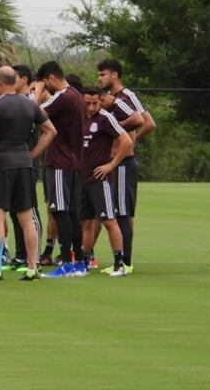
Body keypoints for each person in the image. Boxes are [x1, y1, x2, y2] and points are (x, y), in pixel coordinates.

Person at [0, 67, 56, 281]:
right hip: (24, 164)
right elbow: (51, 131)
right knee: (26, 217)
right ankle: (32, 267)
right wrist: (32, 155)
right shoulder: (29, 104)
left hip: (1, 164)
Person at [97, 57, 152, 273]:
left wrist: (126, 138)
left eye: (103, 74)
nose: (99, 78)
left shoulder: (126, 96)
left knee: (123, 212)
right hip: (114, 162)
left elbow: (147, 122)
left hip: (123, 164)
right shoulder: (109, 99)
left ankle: (126, 262)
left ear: (115, 75)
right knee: (119, 211)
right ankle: (121, 260)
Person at [34, 60, 88, 278]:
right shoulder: (77, 96)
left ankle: (66, 262)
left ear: (50, 78)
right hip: (74, 162)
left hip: (59, 162)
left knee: (60, 211)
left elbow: (33, 113)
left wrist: (37, 93)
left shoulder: (63, 96)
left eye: (45, 83)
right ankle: (79, 262)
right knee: (72, 212)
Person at [80, 87, 132, 276]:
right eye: (87, 103)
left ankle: (119, 263)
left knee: (109, 220)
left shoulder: (105, 118)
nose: (91, 107)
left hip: (99, 179)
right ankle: (85, 261)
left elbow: (126, 141)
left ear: (100, 101)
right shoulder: (80, 118)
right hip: (82, 178)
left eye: (95, 103)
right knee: (86, 223)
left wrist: (111, 165)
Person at [9, 64, 44, 270]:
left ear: (23, 79)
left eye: (14, 77)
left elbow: (48, 129)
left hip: (27, 163)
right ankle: (21, 255)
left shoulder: (31, 101)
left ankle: (34, 257)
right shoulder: (13, 100)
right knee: (15, 210)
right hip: (12, 163)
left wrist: (33, 155)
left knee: (29, 209)